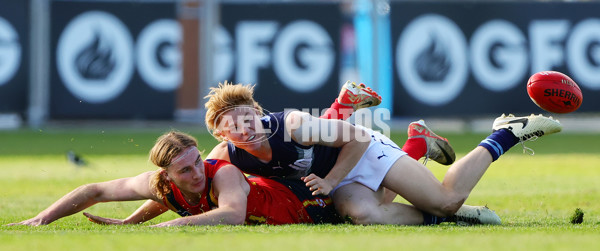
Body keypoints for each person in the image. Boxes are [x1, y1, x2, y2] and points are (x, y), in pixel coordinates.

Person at [198, 81, 562, 225]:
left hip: (365, 152)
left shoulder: (293, 124)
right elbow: (183, 179)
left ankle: (505, 134)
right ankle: (419, 146)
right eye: (232, 125)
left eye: (247, 117)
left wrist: (330, 180)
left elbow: (355, 139)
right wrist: (143, 220)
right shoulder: (226, 154)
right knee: (364, 215)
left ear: (258, 114)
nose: (243, 128)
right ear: (219, 132)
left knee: (446, 199)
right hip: (339, 177)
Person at [7, 131, 344, 226]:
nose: (198, 172)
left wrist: (168, 227)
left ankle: (392, 147)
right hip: (294, 197)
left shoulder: (222, 173)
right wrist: (42, 219)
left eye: (198, 162)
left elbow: (232, 215)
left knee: (367, 212)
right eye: (186, 170)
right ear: (166, 175)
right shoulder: (160, 185)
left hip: (307, 202)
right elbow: (94, 190)